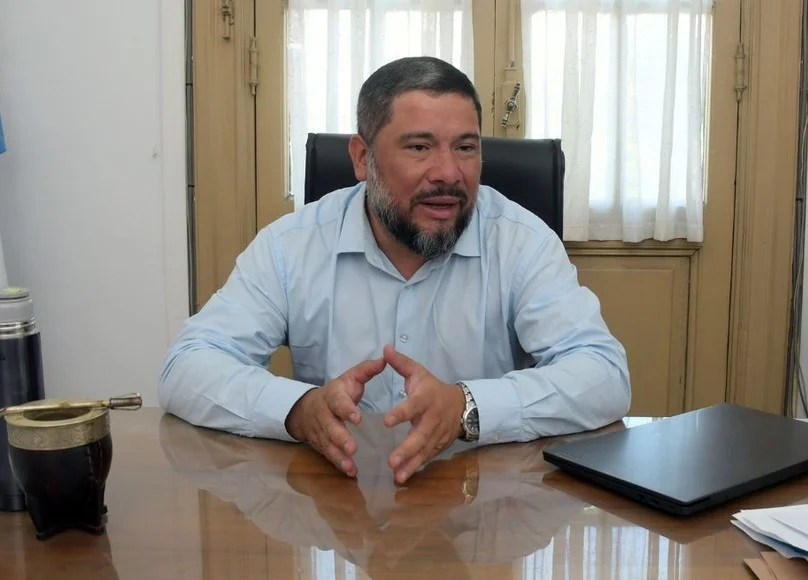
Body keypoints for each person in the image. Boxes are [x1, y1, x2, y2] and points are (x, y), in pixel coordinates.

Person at [158, 55, 631, 485]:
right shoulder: (292, 246)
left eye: (466, 147)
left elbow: (604, 376)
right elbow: (187, 366)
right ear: (362, 158)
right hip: (337, 506)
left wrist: (468, 406)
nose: (448, 172)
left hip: (482, 504)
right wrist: (297, 410)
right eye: (420, 147)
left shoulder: (521, 242)